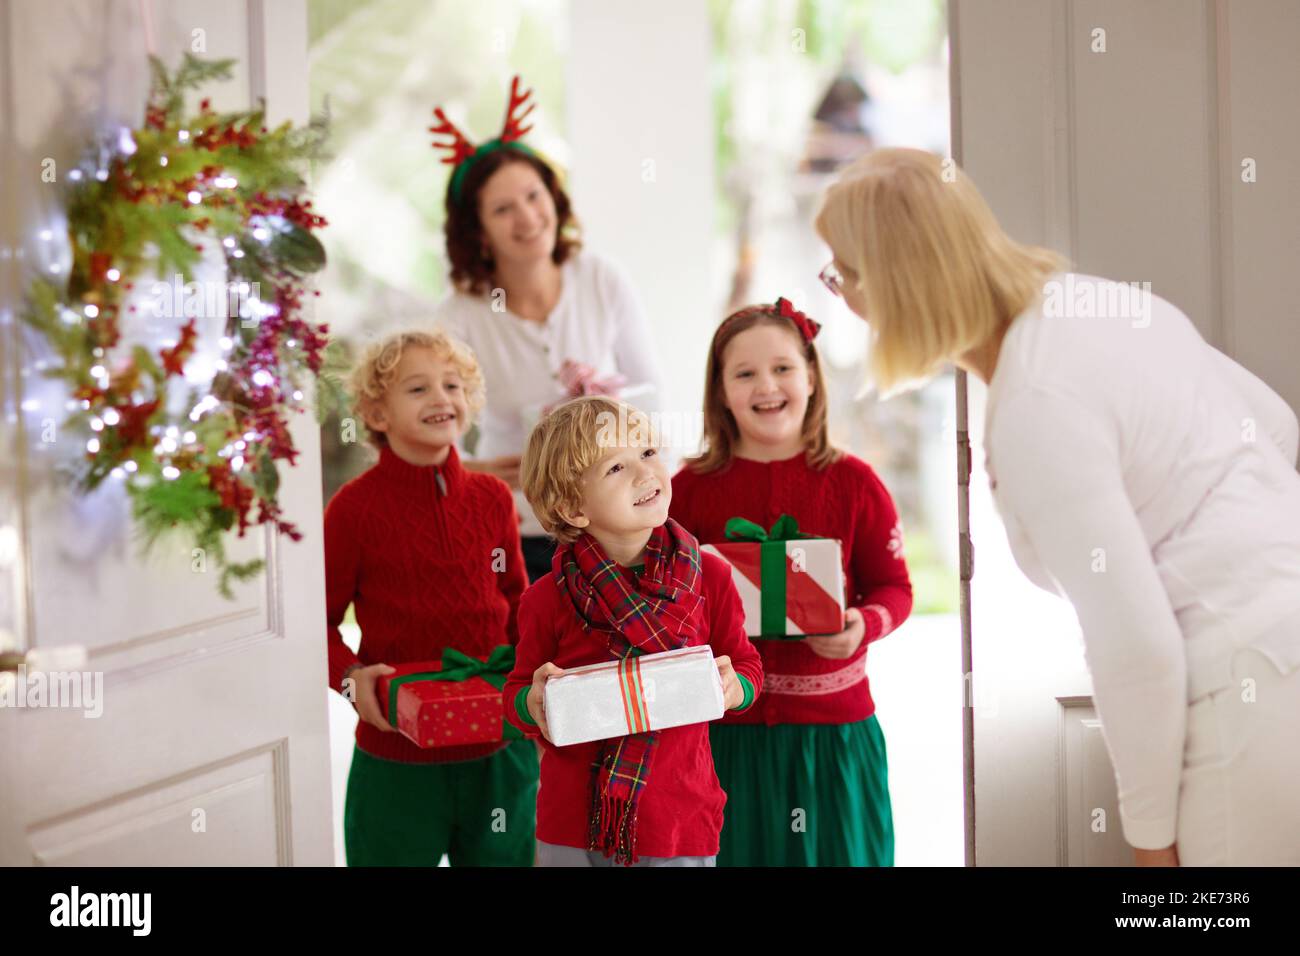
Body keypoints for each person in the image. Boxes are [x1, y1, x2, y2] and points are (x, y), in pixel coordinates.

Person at [815, 146, 1300, 866]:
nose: (840, 295)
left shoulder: (1034, 402)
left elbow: (1137, 648)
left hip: (1247, 701)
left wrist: (1151, 846)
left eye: (843, 274)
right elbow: (1276, 424)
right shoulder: (1091, 303)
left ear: (898, 284)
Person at [669, 297, 913, 866]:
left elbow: (895, 588)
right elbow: (663, 595)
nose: (766, 386)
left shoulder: (856, 482)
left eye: (782, 367)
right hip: (724, 737)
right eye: (744, 373)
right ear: (720, 390)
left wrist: (861, 625)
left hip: (833, 738)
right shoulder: (686, 491)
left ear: (811, 378)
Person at [501, 396, 764, 866]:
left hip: (677, 818)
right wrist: (531, 701)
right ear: (572, 507)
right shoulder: (545, 598)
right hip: (573, 822)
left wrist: (734, 687)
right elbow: (517, 693)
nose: (645, 473)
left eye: (647, 452)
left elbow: (747, 666)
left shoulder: (711, 577)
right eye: (616, 467)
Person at [430, 76, 665, 582]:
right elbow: (433, 421)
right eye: (502, 209)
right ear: (478, 231)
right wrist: (464, 469)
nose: (527, 217)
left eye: (534, 196)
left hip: (611, 525)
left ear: (554, 199)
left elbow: (650, 393)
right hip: (516, 529)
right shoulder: (461, 316)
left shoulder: (600, 278)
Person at [324, 328, 537, 866]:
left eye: (452, 385)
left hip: (498, 747)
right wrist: (350, 679)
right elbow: (317, 625)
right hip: (395, 757)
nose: (441, 398)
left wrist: (537, 688)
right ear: (377, 414)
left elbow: (518, 605)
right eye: (418, 388)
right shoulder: (351, 510)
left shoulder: (493, 498)